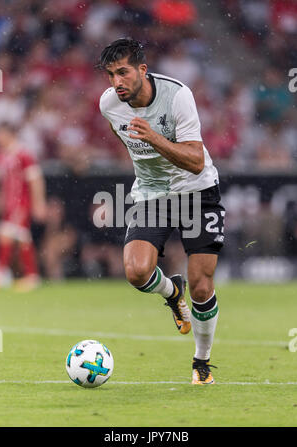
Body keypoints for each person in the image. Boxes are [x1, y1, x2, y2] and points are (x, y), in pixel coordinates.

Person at [98, 38, 225, 385]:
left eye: (123, 72)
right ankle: (172, 293)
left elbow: (197, 162)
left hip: (197, 192)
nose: (116, 82)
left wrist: (154, 138)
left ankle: (201, 360)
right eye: (110, 75)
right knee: (137, 272)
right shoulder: (109, 104)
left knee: (201, 287)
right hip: (152, 194)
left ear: (142, 70)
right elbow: (123, 137)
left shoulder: (177, 95)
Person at [0, 122, 47, 291]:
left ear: (10, 134)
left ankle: (3, 274)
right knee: (22, 237)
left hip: (21, 203)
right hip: (10, 204)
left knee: (6, 234)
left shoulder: (24, 154)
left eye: (1, 134)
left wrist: (39, 203)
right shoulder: (3, 156)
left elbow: (35, 179)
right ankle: (31, 276)